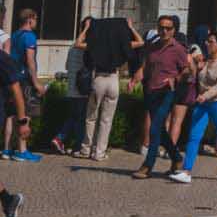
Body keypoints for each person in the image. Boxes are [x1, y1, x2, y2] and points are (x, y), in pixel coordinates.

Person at [170, 31, 217, 184]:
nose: (207, 44)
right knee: (194, 136)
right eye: (207, 41)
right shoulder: (206, 60)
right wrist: (195, 65)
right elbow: (196, 79)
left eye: (211, 41)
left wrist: (205, 95)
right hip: (203, 102)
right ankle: (186, 171)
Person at [73, 16, 141, 161]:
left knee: (91, 117)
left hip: (99, 78)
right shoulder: (120, 44)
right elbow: (141, 42)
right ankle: (99, 152)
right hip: (114, 79)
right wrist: (130, 27)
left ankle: (86, 149)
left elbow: (77, 43)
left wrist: (87, 28)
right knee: (107, 120)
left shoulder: (96, 43)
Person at [132, 16, 191, 178]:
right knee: (160, 130)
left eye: (168, 28)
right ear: (157, 28)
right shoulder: (152, 47)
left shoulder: (178, 49)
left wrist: (176, 78)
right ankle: (177, 158)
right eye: (161, 28)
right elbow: (146, 66)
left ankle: (147, 166)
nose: (164, 31)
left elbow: (187, 70)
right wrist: (137, 76)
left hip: (167, 92)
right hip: (151, 91)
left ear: (174, 30)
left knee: (154, 128)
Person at [5, 12, 44, 162]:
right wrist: (36, 82)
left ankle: (7, 149)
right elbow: (30, 61)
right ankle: (22, 150)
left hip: (12, 78)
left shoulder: (14, 35)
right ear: (29, 19)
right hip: (25, 80)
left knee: (11, 114)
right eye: (35, 19)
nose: (36, 22)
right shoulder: (29, 36)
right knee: (25, 114)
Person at [50, 18, 91, 156]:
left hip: (71, 88)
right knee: (80, 119)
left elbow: (67, 66)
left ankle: (61, 140)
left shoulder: (72, 46)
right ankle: (75, 146)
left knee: (73, 117)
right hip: (82, 90)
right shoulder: (86, 47)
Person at [0, 45, 28, 217]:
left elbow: (17, 91)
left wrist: (22, 121)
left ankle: (9, 200)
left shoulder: (3, 59)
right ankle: (9, 200)